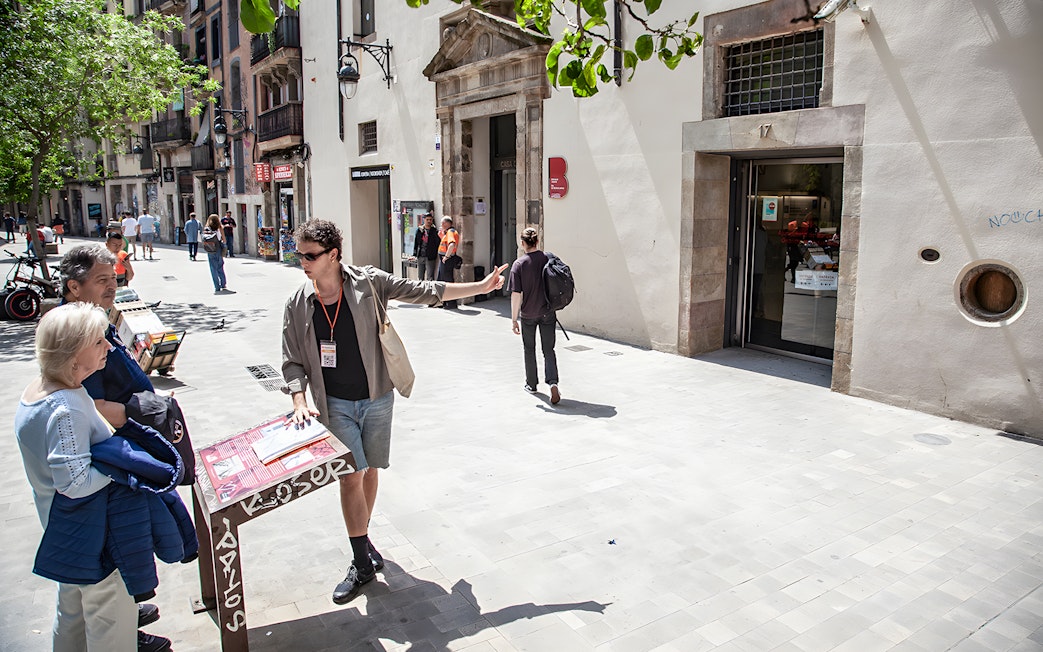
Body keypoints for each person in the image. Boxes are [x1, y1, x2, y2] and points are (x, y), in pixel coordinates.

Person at [281, 219, 507, 606]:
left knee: (369, 470)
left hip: (377, 397)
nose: (301, 260)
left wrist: (480, 287)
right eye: (299, 253)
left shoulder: (368, 283)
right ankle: (360, 562)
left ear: (333, 255)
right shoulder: (298, 303)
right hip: (333, 404)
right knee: (351, 476)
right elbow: (291, 361)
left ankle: (362, 538)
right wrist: (299, 400)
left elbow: (425, 290)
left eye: (309, 255)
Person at [15, 302, 173, 652]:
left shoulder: (40, 391)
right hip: (93, 529)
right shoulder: (66, 405)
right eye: (99, 342)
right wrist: (123, 468)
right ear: (73, 354)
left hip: (63, 528)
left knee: (71, 611)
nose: (109, 347)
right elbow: (75, 482)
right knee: (109, 615)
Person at [509, 227, 561, 404]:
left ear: (523, 243)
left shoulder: (519, 265)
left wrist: (514, 319)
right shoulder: (548, 258)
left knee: (529, 349)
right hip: (548, 312)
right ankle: (553, 383)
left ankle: (531, 384)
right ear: (537, 241)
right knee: (549, 350)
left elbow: (516, 295)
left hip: (529, 314)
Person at [436, 216, 461, 309]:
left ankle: (451, 303)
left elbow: (451, 244)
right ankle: (442, 301)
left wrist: (446, 256)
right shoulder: (449, 232)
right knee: (442, 280)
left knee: (447, 281)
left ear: (446, 223)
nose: (441, 225)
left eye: (443, 223)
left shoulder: (451, 232)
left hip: (447, 259)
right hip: (445, 259)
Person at [202, 214, 227, 292]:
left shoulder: (207, 229)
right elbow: (224, 240)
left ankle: (217, 286)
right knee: (220, 266)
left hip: (210, 249)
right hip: (218, 248)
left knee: (213, 268)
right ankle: (223, 283)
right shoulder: (220, 228)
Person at [410, 213, 439, 282]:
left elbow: (437, 243)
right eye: (427, 219)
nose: (429, 221)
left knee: (430, 276)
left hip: (430, 256)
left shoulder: (434, 231)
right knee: (420, 276)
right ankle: (421, 289)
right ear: (424, 220)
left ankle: (429, 290)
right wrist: (415, 254)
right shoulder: (420, 230)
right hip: (421, 255)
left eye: (430, 220)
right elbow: (416, 243)